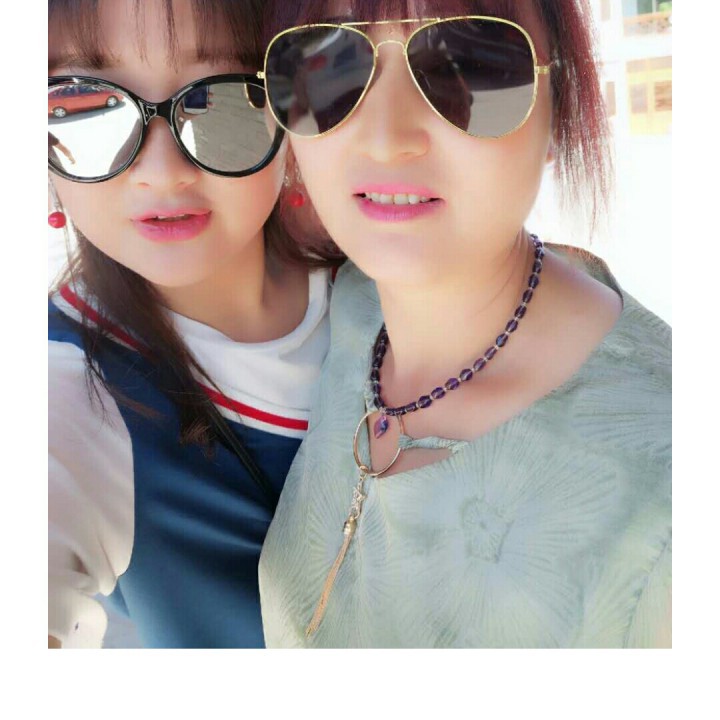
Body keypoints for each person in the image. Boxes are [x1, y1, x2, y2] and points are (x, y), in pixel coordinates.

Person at [257, 0, 671, 648]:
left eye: (468, 65)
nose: (386, 137)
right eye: (330, 66)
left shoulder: (665, 504)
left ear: (560, 100)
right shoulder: (350, 307)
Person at [48, 0, 338, 648]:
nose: (162, 173)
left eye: (221, 97)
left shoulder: (381, 270)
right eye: (85, 105)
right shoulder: (62, 384)